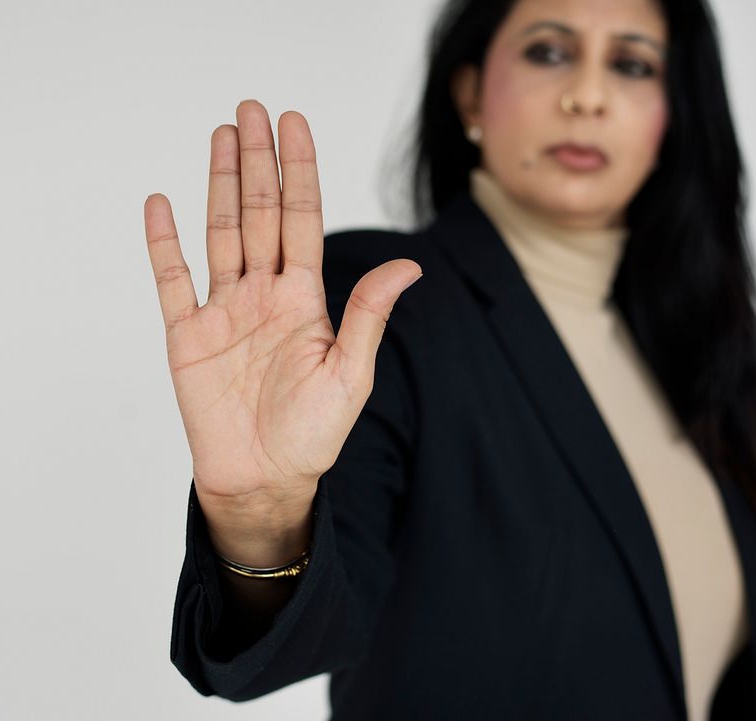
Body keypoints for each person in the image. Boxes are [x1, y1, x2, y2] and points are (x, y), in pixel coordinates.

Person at [143, 0, 756, 718]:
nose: (587, 95)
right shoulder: (383, 301)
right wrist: (262, 512)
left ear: (673, 113)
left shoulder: (711, 348)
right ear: (470, 94)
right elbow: (286, 646)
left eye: (631, 64)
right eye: (549, 52)